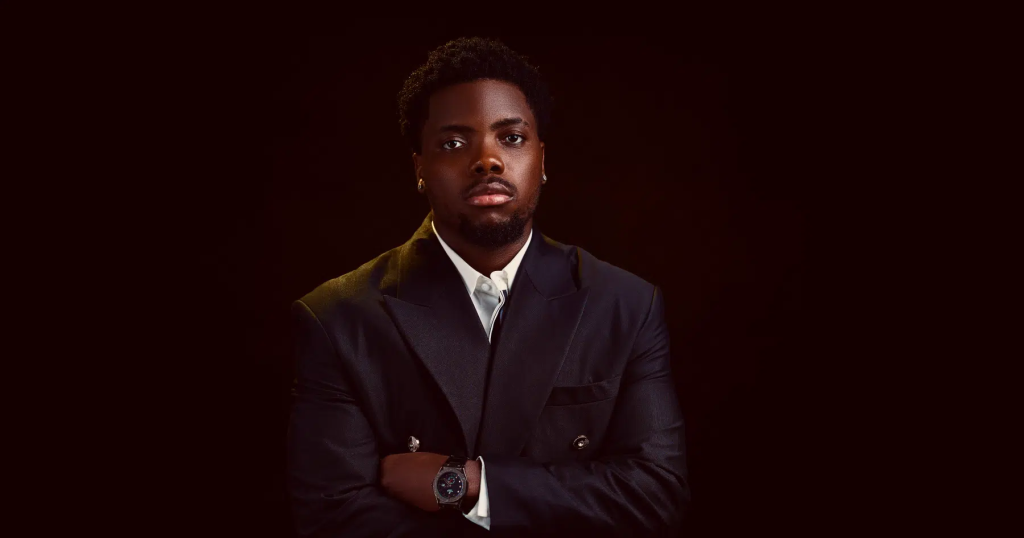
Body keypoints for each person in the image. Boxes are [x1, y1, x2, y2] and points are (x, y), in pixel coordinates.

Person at [287, 37, 689, 537]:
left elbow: (655, 494)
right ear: (419, 167)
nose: (488, 160)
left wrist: (470, 483)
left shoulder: (626, 304)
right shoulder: (338, 317)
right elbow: (333, 515)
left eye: (511, 138)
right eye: (454, 143)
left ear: (542, 159)